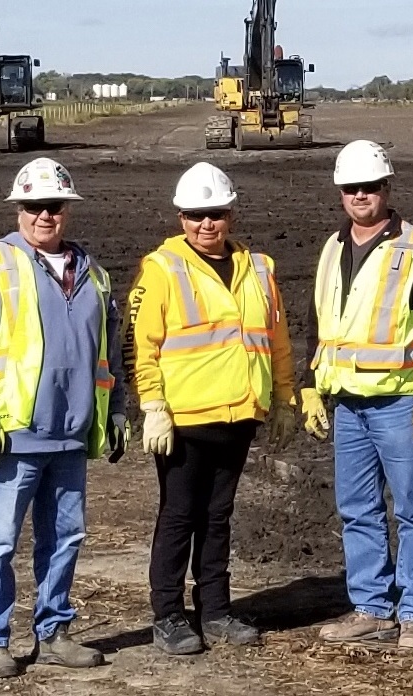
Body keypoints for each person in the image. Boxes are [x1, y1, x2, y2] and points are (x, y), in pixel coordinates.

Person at [0, 157, 129, 679]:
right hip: (12, 435)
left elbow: (109, 353)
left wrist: (115, 410)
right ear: (20, 209)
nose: (43, 215)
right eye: (33, 206)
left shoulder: (94, 274)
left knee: (66, 538)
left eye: (53, 206)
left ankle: (54, 632)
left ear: (66, 210)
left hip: (71, 436)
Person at [123, 161, 297, 655]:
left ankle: (216, 610)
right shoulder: (162, 269)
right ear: (181, 217)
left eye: (215, 214)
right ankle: (169, 616)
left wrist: (283, 397)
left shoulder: (259, 269)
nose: (206, 225)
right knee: (179, 516)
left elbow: (276, 341)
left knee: (218, 516)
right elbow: (143, 344)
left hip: (239, 415)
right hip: (184, 422)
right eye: (196, 215)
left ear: (231, 214)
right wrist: (152, 403)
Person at [301, 140, 413, 649]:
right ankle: (371, 608)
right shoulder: (332, 248)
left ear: (387, 189)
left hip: (399, 405)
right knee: (357, 509)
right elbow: (318, 324)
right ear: (341, 193)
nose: (361, 195)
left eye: (370, 187)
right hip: (347, 404)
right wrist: (310, 386)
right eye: (352, 188)